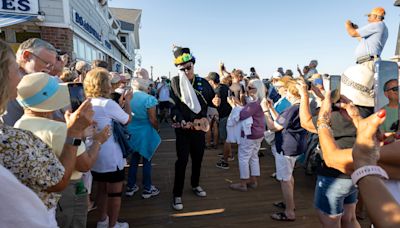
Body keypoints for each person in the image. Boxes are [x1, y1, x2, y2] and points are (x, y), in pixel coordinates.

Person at [0, 39, 93, 227]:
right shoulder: (13, 138)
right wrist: (77, 133)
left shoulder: (18, 124)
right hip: (55, 201)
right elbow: (62, 179)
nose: (18, 79)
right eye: (13, 70)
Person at [14, 72, 111, 228]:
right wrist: (98, 141)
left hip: (39, 195)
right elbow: (84, 165)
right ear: (50, 102)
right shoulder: (61, 130)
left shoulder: (19, 124)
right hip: (68, 192)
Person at [299, 65, 375, 228]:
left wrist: (304, 95)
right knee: (350, 218)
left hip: (333, 176)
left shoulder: (337, 114)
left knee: (330, 222)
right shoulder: (371, 113)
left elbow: (306, 123)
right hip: (356, 175)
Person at [84, 68, 132, 228]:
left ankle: (102, 220)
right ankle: (112, 225)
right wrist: (128, 102)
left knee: (101, 189)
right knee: (115, 193)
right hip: (110, 155)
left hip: (93, 152)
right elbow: (127, 120)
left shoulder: (86, 102)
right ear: (106, 85)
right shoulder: (108, 104)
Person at [170, 46, 215, 211]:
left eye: (189, 67)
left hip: (199, 130)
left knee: (198, 159)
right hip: (183, 130)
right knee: (181, 161)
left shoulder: (203, 82)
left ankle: (195, 184)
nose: (186, 71)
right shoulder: (175, 82)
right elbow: (173, 107)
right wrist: (180, 120)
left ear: (193, 65)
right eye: (182, 69)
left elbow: (210, 102)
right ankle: (177, 194)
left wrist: (215, 103)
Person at [263, 79, 307, 222]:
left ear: (292, 93)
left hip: (286, 148)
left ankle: (289, 212)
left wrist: (265, 111)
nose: (285, 93)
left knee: (284, 180)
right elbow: (282, 122)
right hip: (296, 146)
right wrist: (271, 109)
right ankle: (290, 203)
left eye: (287, 90)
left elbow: (274, 127)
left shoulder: (292, 109)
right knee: (289, 177)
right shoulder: (301, 107)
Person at [1, 38, 57, 126]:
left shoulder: (40, 83)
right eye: (47, 63)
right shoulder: (12, 85)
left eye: (52, 66)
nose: (49, 70)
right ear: (26, 56)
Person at [125, 68, 161, 199]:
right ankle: (147, 188)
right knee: (147, 160)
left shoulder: (128, 96)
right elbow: (153, 119)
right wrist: (157, 129)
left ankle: (131, 186)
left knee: (134, 160)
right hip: (145, 132)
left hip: (131, 131)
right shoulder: (149, 99)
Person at [228, 79, 266, 191]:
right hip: (259, 134)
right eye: (247, 87)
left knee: (243, 158)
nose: (247, 90)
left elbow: (242, 115)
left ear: (257, 89)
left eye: (250, 88)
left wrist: (233, 105)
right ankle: (253, 181)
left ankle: (243, 183)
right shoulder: (262, 101)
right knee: (254, 157)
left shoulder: (254, 104)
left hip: (250, 134)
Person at [206, 72, 233, 169]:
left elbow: (217, 103)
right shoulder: (224, 86)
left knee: (226, 138)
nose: (208, 82)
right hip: (230, 114)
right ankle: (229, 154)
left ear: (212, 81)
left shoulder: (217, 90)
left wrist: (213, 101)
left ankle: (226, 160)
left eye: (208, 80)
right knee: (227, 137)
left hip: (224, 116)